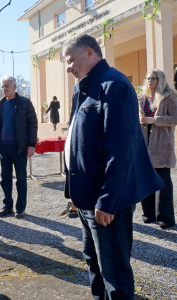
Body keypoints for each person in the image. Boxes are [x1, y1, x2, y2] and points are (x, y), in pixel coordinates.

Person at [62, 34, 164, 299]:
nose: (67, 66)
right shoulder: (82, 88)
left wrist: (107, 200)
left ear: (89, 52)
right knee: (93, 263)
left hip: (106, 202)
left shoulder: (113, 85)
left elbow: (121, 150)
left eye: (71, 59)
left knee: (114, 272)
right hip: (86, 199)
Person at [0, 76, 38, 219]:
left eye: (7, 86)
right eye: (3, 86)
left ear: (14, 86)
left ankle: (20, 208)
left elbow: (32, 124)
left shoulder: (24, 103)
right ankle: (7, 206)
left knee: (21, 178)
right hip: (4, 148)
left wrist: (31, 145)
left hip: (20, 148)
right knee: (5, 178)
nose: (4, 89)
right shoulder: (1, 103)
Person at [139, 69, 177, 229]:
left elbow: (175, 118)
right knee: (144, 179)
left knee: (163, 181)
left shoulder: (169, 96)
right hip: (143, 143)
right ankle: (148, 214)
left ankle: (166, 217)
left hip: (162, 144)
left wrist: (155, 120)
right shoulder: (141, 98)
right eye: (147, 78)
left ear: (160, 79)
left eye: (153, 78)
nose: (149, 81)